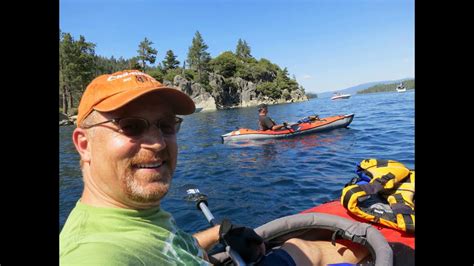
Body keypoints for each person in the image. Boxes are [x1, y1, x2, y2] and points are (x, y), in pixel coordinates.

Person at [60, 69, 368, 265]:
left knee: (308, 240)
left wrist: (220, 232)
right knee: (323, 250)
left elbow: (167, 248)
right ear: (84, 145)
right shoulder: (93, 254)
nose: (157, 142)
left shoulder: (136, 216)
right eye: (131, 126)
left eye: (167, 125)